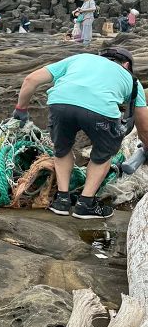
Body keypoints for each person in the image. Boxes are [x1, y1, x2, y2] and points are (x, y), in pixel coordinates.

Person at [12, 47, 148, 219]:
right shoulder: (132, 81)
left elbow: (31, 79)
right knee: (103, 155)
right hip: (100, 111)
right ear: (127, 64)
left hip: (60, 103)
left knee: (62, 150)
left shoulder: (79, 58)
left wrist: (21, 109)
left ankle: (62, 200)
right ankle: (85, 204)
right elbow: (144, 126)